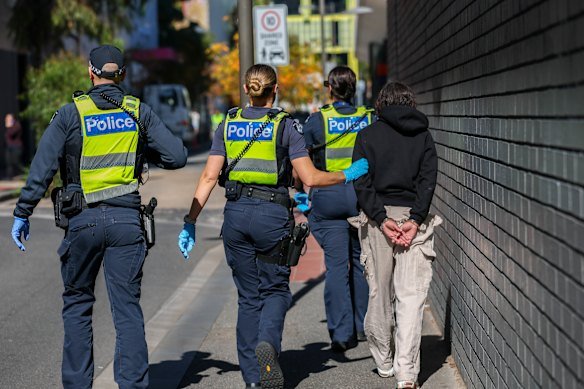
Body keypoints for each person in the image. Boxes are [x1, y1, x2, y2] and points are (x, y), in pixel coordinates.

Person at [177, 64, 369, 389]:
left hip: (236, 217)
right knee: (276, 289)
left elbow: (209, 177)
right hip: (272, 216)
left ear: (246, 87)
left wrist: (190, 222)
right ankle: (268, 343)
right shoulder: (285, 125)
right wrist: (345, 175)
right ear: (275, 89)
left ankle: (253, 378)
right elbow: (309, 177)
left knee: (247, 297)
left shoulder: (228, 123)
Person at [10, 45, 187, 389]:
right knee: (126, 310)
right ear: (121, 75)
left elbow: (43, 167)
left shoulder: (70, 113)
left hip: (82, 221)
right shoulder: (138, 111)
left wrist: (23, 211)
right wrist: (142, 150)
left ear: (90, 72)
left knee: (77, 303)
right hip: (125, 222)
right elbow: (178, 156)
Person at [349, 81, 442, 389]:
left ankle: (384, 360)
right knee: (411, 296)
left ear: (381, 105)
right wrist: (415, 219)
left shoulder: (366, 136)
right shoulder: (424, 136)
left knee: (379, 290)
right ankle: (407, 374)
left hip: (378, 220)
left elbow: (359, 180)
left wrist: (380, 218)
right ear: (410, 103)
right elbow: (429, 178)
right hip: (413, 217)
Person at [296, 66, 372, 353]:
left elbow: (300, 160)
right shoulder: (368, 117)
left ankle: (342, 334)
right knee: (362, 262)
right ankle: (364, 326)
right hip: (360, 195)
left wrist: (300, 193)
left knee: (337, 266)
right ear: (354, 89)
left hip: (327, 195)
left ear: (330, 88)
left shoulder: (316, 121)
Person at [4, 113, 23, 178]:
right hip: (9, 147)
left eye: (8, 118)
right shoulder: (8, 126)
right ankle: (9, 176)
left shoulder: (16, 125)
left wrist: (9, 126)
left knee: (16, 162)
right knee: (8, 162)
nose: (7, 120)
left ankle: (22, 174)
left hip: (16, 146)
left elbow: (11, 133)